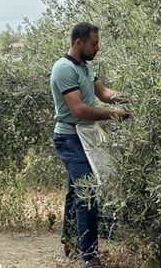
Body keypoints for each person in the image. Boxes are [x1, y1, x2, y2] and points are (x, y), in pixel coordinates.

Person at [50, 22, 128, 268]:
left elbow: (104, 92)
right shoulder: (63, 69)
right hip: (69, 138)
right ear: (78, 42)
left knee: (77, 189)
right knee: (88, 190)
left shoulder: (86, 67)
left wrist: (132, 96)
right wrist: (113, 114)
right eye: (94, 44)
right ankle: (89, 256)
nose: (97, 49)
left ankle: (70, 242)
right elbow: (79, 109)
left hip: (86, 136)